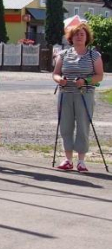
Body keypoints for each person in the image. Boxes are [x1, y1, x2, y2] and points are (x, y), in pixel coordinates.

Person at [52, 23, 104, 172]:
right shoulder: (63, 54)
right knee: (65, 125)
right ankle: (68, 159)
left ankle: (81, 161)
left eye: (82, 34)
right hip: (65, 93)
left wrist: (85, 81)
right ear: (71, 38)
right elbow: (55, 73)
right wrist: (59, 80)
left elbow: (99, 76)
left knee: (83, 126)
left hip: (84, 94)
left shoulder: (94, 55)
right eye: (76, 34)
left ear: (87, 37)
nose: (79, 37)